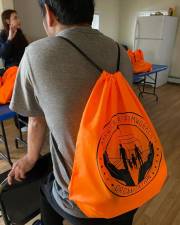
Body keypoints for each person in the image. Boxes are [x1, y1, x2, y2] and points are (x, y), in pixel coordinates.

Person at [8, 0, 136, 225]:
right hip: (128, 184)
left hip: (82, 201)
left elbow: (36, 121)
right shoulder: (119, 51)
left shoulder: (35, 54)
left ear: (48, 13)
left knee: (47, 188)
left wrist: (29, 157)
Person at [0, 9, 28, 129]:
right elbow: (3, 55)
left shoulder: (20, 33)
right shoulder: (2, 35)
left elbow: (26, 50)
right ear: (7, 21)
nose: (19, 20)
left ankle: (30, 119)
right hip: (11, 70)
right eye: (15, 18)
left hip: (23, 67)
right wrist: (10, 39)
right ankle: (22, 123)